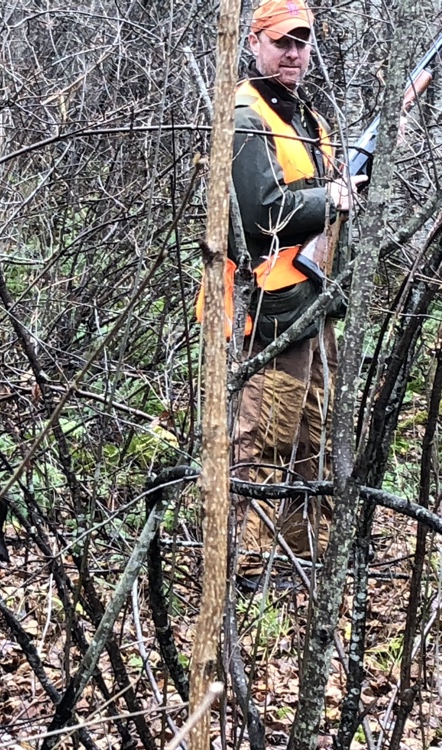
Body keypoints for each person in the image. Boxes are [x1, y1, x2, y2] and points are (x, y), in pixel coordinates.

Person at [204, 0, 366, 589]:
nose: (292, 53)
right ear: (255, 44)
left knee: (312, 435)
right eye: (281, 42)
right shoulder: (245, 117)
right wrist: (333, 200)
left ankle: (294, 561)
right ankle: (245, 567)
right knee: (261, 438)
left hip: (310, 303)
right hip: (261, 314)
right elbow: (259, 217)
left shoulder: (311, 121)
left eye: (301, 42)